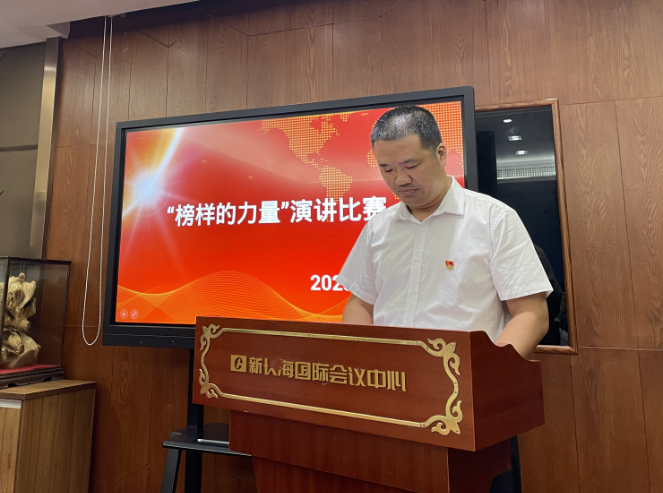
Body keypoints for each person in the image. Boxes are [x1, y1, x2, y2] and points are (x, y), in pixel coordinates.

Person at [336, 106, 552, 358]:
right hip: (391, 375)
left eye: (411, 165)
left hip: (465, 375)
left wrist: (489, 373)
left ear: (440, 154)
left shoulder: (494, 219)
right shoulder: (378, 227)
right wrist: (361, 361)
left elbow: (531, 313)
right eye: (387, 169)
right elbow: (361, 304)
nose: (400, 180)